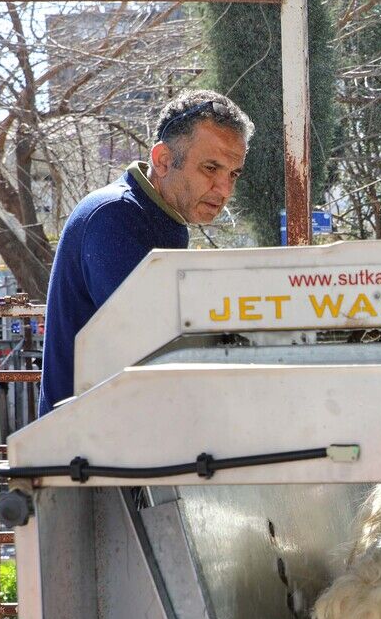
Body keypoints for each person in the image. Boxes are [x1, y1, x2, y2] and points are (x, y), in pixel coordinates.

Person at [38, 90, 253, 414]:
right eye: (211, 168)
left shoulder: (157, 217)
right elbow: (156, 347)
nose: (224, 190)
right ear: (163, 160)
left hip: (112, 437)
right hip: (83, 448)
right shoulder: (115, 216)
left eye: (233, 174)